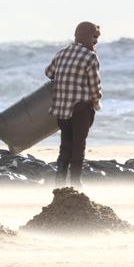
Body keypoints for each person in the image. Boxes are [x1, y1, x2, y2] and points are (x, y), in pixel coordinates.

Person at [47, 21, 102, 187]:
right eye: (94, 37)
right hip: (80, 108)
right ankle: (76, 183)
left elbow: (49, 73)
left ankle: (59, 182)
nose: (96, 42)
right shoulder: (90, 57)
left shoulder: (62, 52)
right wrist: (97, 103)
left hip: (61, 109)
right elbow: (95, 86)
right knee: (79, 144)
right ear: (86, 36)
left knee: (66, 145)